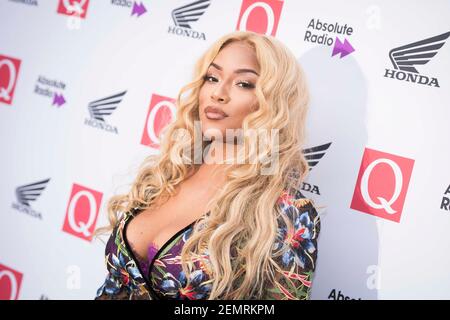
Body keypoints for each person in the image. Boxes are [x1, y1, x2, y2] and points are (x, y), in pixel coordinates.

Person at [94, 30, 321, 300]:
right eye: (212, 78)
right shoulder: (166, 174)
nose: (218, 93)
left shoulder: (285, 212)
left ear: (273, 103)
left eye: (244, 84)